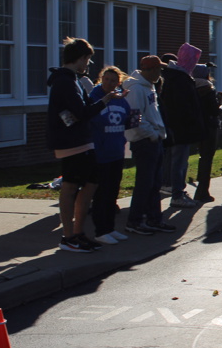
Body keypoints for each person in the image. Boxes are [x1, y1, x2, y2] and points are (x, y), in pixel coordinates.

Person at [46, 37, 118, 252]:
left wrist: (105, 99)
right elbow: (82, 112)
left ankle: (78, 232)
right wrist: (105, 100)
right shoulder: (64, 81)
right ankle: (68, 237)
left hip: (82, 141)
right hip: (71, 142)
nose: (88, 64)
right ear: (80, 58)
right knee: (70, 186)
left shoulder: (73, 80)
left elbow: (84, 108)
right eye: (87, 59)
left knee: (91, 183)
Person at [123, 55, 176, 235]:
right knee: (144, 184)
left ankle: (154, 218)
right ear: (151, 70)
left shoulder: (149, 87)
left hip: (154, 139)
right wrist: (152, 135)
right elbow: (135, 118)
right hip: (144, 141)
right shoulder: (136, 89)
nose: (160, 73)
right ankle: (135, 220)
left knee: (155, 184)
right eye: (159, 69)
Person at [88, 66, 131, 245]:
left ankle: (110, 228)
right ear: (101, 79)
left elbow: (127, 119)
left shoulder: (121, 100)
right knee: (102, 193)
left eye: (113, 81)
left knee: (113, 192)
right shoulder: (94, 98)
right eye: (106, 79)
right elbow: (91, 120)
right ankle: (100, 230)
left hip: (116, 151)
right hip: (101, 153)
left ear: (118, 83)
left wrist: (133, 121)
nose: (109, 83)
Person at [160, 44, 206, 208]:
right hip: (181, 128)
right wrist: (191, 121)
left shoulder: (174, 77)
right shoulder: (180, 79)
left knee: (177, 161)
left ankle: (177, 190)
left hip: (176, 127)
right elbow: (182, 107)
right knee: (179, 163)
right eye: (194, 59)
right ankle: (177, 194)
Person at [192, 63, 222, 203]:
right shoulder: (208, 88)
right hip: (210, 126)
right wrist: (221, 105)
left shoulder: (191, 87)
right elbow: (214, 110)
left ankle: (200, 187)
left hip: (197, 126)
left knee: (202, 156)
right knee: (207, 158)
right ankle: (202, 191)